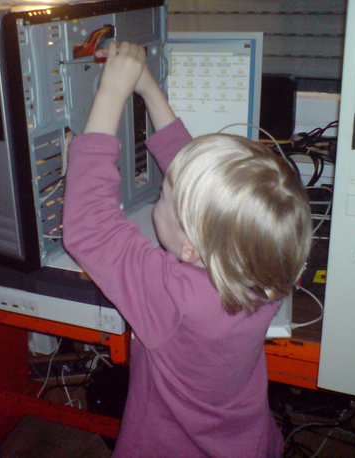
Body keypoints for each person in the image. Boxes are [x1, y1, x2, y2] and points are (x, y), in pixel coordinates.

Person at [63, 41, 312, 458]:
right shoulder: (269, 265)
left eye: (161, 197)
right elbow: (200, 185)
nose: (159, 198)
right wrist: (149, 90)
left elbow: (89, 226)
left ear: (192, 248)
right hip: (246, 442)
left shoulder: (174, 295)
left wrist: (112, 93)